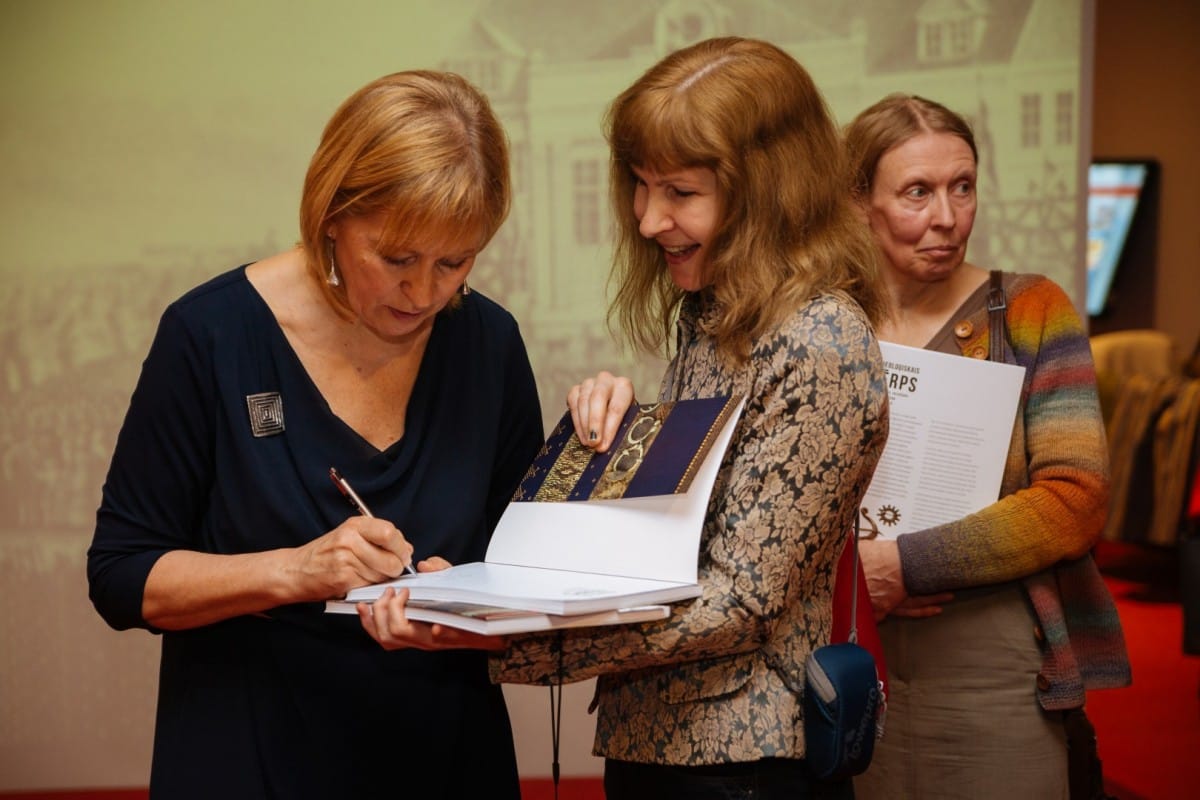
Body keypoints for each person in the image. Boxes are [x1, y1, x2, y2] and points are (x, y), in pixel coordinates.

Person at [361, 37, 890, 799]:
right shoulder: (716, 315)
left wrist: (505, 637)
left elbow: (740, 603)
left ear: (770, 190)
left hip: (741, 764)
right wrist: (610, 451)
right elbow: (679, 554)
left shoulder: (820, 339)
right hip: (662, 744)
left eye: (680, 191)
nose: (647, 220)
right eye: (641, 186)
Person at [86, 70, 544, 799]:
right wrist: (296, 571)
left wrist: (465, 605)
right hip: (250, 761)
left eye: (454, 262)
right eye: (396, 258)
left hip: (446, 756)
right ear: (332, 214)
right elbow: (121, 576)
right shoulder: (210, 335)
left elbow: (525, 578)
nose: (424, 293)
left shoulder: (489, 343)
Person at [843, 93, 1131, 799]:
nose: (947, 217)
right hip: (849, 650)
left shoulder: (1031, 311)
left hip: (995, 662)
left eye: (963, 187)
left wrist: (903, 566)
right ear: (858, 203)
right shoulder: (823, 323)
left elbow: (1075, 499)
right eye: (917, 192)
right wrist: (849, 577)